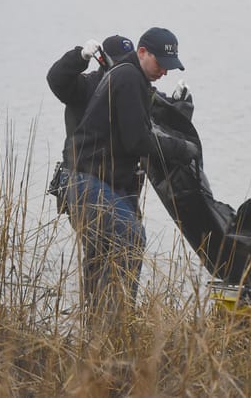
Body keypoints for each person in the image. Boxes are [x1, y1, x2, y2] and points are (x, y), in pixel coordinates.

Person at [64, 27, 199, 330]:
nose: (164, 70)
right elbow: (138, 140)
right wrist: (183, 148)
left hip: (93, 183)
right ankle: (117, 326)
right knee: (131, 237)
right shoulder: (128, 78)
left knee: (102, 257)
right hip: (88, 182)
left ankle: (100, 334)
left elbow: (149, 123)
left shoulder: (134, 79)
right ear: (142, 52)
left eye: (170, 65)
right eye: (160, 62)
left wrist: (179, 110)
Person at [47, 35, 136, 214]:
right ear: (102, 59)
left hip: (122, 188)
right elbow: (56, 79)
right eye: (119, 62)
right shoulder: (84, 87)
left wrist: (176, 103)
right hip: (85, 184)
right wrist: (79, 57)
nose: (125, 67)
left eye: (129, 63)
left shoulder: (133, 89)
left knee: (131, 241)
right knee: (116, 241)